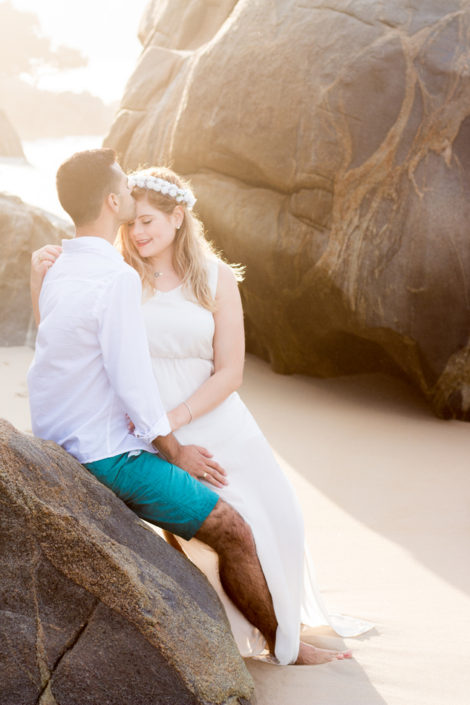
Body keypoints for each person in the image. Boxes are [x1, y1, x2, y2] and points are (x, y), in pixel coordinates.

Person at [29, 148, 354, 666]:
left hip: (194, 423)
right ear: (113, 205)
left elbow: (229, 370)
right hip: (139, 437)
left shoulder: (207, 275)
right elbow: (91, 359)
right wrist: (172, 446)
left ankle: (283, 629)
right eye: (132, 219)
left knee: (279, 520)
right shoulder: (114, 275)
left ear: (179, 218)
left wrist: (172, 428)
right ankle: (277, 645)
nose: (137, 231)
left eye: (148, 220)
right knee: (228, 529)